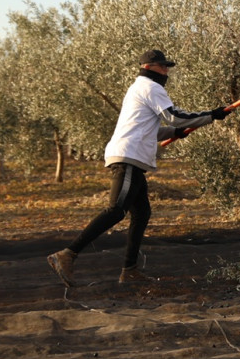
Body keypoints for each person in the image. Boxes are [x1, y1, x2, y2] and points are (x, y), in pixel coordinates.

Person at [47, 50, 228, 286]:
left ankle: (129, 271)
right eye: (163, 67)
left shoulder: (139, 88)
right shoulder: (151, 88)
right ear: (150, 66)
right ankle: (67, 254)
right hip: (128, 158)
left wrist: (174, 133)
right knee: (116, 210)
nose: (167, 71)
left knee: (141, 214)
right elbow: (174, 116)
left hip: (131, 157)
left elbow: (147, 127)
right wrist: (211, 115)